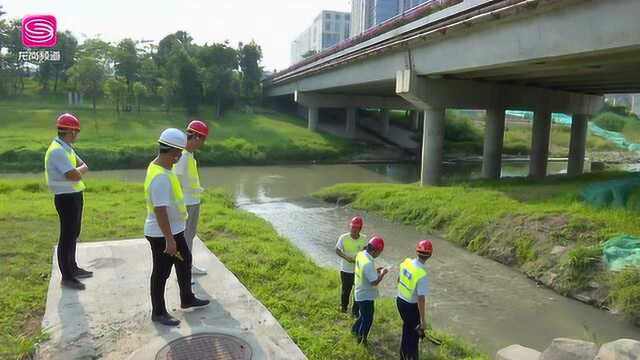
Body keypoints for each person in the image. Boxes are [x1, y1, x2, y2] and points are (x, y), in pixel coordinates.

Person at [144, 128, 210, 327]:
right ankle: (159, 312)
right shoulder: (161, 177)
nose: (180, 156)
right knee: (161, 272)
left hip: (174, 229)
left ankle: (187, 297)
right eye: (178, 153)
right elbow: (160, 211)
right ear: (172, 152)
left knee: (185, 260)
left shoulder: (162, 168)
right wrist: (169, 240)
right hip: (162, 234)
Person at [44, 113, 92, 290]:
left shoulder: (67, 147)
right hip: (65, 197)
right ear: (70, 131)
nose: (77, 135)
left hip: (74, 194)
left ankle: (73, 268)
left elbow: (83, 166)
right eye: (76, 132)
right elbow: (73, 174)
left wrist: (79, 170)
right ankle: (67, 276)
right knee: (67, 235)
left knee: (74, 233)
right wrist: (80, 170)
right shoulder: (57, 150)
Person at [174, 120, 209, 275]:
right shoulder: (181, 156)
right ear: (195, 137)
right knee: (184, 239)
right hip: (186, 204)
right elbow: (176, 182)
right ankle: (183, 271)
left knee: (190, 236)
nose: (201, 144)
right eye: (202, 140)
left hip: (193, 201)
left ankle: (188, 267)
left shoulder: (189, 154)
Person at [396, 240, 433, 360]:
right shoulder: (422, 275)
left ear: (417, 251)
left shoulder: (406, 262)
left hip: (400, 300)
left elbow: (398, 279)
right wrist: (423, 321)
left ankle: (403, 355)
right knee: (414, 335)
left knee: (407, 328)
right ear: (430, 255)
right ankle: (411, 357)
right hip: (410, 307)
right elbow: (421, 299)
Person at [352, 235, 388, 345]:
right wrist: (382, 274)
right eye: (379, 252)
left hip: (359, 290)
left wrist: (374, 270)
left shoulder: (361, 254)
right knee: (368, 319)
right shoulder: (368, 263)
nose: (379, 254)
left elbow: (364, 271)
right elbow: (374, 282)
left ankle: (354, 330)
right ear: (375, 251)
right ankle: (362, 339)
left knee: (363, 315)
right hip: (365, 294)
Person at [335, 216, 367, 316]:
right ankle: (344, 308)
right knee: (346, 290)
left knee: (357, 291)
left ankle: (355, 311)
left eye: (356, 228)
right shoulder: (343, 237)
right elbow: (337, 250)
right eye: (352, 227)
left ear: (360, 229)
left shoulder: (364, 239)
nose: (354, 230)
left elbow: (366, 252)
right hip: (346, 270)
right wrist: (346, 257)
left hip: (358, 270)